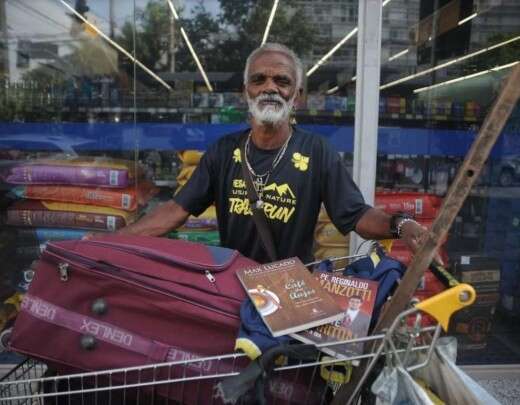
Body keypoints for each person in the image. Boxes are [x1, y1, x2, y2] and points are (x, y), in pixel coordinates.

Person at [111, 43, 428, 264]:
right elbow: (174, 211)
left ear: (298, 97)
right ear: (245, 92)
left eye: (282, 80)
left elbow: (357, 215)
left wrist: (400, 224)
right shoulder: (224, 152)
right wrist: (112, 242)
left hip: (291, 292)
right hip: (233, 288)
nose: (269, 87)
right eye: (259, 79)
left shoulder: (316, 152)